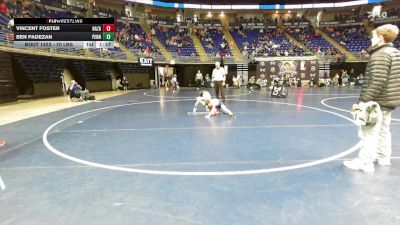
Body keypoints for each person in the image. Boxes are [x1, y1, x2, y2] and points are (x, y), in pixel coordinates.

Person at [343, 24, 400, 173]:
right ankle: (383, 158)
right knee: (384, 130)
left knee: (369, 132)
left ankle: (365, 163)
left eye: (374, 36)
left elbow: (377, 81)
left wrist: (362, 102)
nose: (371, 39)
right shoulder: (395, 52)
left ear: (381, 37)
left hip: (377, 101)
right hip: (389, 100)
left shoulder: (380, 54)